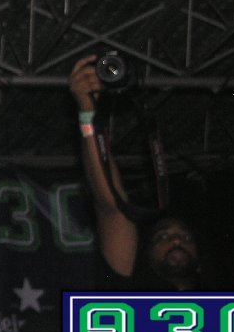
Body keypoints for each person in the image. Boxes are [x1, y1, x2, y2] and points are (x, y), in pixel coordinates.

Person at [68, 54, 209, 289]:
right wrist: (88, 113)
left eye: (185, 237)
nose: (176, 241)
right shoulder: (131, 283)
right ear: (146, 253)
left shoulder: (228, 306)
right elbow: (112, 207)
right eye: (163, 237)